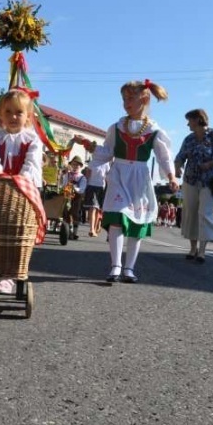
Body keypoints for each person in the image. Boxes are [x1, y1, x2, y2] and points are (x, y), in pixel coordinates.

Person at [77, 79, 179, 283]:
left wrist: (171, 176)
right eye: (124, 99)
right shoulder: (116, 127)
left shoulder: (154, 131)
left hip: (140, 180)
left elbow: (164, 157)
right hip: (119, 175)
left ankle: (129, 268)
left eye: (130, 98)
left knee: (136, 223)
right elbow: (107, 152)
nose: (126, 103)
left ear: (145, 98)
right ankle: (115, 265)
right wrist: (90, 146)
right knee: (116, 218)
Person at [0, 88, 44, 293]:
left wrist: (20, 180)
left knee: (18, 232)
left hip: (23, 192)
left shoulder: (32, 140)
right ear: (0, 114)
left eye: (19, 112)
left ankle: (9, 275)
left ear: (27, 116)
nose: (13, 117)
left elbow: (31, 164)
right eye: (8, 112)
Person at [173, 109, 213, 263]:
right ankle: (192, 248)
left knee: (204, 214)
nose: (187, 124)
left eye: (189, 120)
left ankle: (202, 251)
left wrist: (210, 164)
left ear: (198, 120)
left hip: (208, 182)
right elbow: (180, 156)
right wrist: (177, 167)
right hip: (190, 180)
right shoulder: (189, 139)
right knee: (191, 213)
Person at [58, 155, 87, 240]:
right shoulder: (67, 175)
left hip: (77, 197)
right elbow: (63, 184)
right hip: (67, 196)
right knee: (66, 213)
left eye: (77, 165)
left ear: (81, 166)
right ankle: (66, 231)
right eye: (73, 165)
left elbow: (82, 189)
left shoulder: (82, 177)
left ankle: (74, 233)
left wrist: (74, 188)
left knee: (75, 214)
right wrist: (65, 186)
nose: (75, 167)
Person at [83, 157, 110, 236]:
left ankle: (94, 228)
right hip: (92, 186)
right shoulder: (92, 162)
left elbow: (107, 177)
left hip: (101, 188)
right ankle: (91, 229)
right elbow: (87, 175)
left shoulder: (106, 163)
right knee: (93, 208)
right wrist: (85, 187)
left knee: (98, 209)